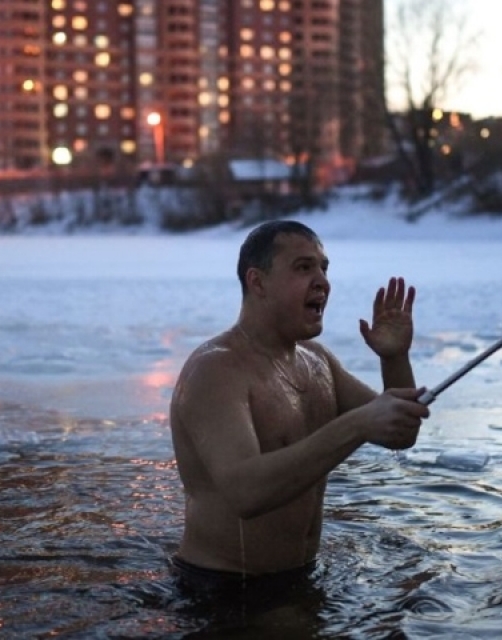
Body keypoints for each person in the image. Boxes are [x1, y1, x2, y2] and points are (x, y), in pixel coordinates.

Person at [169, 219, 429, 595]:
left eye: (324, 268)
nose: (322, 280)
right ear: (257, 282)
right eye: (304, 267)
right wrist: (356, 426)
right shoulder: (216, 368)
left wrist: (394, 359)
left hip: (303, 578)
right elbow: (247, 492)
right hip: (224, 589)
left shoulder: (317, 361)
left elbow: (400, 433)